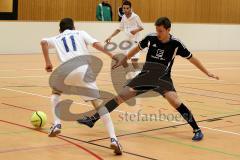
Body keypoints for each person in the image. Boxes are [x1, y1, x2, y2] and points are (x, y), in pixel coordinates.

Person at [77, 17, 220, 141]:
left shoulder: (176, 44)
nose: (158, 33)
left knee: (175, 102)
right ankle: (93, 119)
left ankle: (197, 130)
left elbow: (192, 59)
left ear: (168, 29)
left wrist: (207, 72)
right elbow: (137, 49)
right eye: (157, 30)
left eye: (161, 31)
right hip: (145, 76)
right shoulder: (151, 38)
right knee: (120, 96)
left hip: (163, 79)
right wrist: (124, 59)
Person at [40, 18, 122, 155]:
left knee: (55, 93)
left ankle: (57, 123)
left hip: (65, 70)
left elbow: (43, 42)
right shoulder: (80, 33)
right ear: (73, 27)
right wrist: (112, 55)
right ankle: (113, 139)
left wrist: (48, 62)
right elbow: (96, 45)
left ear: (60, 30)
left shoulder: (57, 38)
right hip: (84, 69)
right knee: (99, 106)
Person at [105, 1, 144, 79]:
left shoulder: (135, 17)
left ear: (130, 8)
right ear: (122, 9)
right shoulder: (123, 17)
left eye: (127, 8)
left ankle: (141, 77)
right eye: (124, 8)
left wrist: (135, 30)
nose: (125, 10)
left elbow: (141, 27)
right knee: (123, 61)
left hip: (135, 42)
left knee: (134, 61)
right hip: (127, 42)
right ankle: (130, 77)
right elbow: (119, 29)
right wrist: (110, 36)